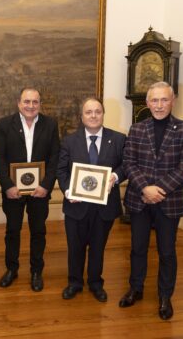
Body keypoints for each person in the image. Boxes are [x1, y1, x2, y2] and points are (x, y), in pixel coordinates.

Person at [118, 81, 183, 320]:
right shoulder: (137, 129)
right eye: (154, 100)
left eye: (164, 100)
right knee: (137, 248)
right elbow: (129, 163)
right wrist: (145, 188)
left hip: (169, 201)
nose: (159, 105)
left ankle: (165, 296)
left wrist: (158, 190)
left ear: (173, 101)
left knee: (167, 251)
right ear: (148, 102)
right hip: (140, 199)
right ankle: (136, 288)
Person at [56, 98, 126, 302]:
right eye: (89, 112)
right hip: (76, 206)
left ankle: (96, 283)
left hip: (104, 207)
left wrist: (115, 176)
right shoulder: (69, 141)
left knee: (98, 247)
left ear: (103, 114)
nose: (93, 116)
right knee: (75, 247)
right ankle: (74, 282)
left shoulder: (119, 139)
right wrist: (68, 190)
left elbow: (126, 166)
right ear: (82, 116)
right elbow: (61, 170)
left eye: (97, 112)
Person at [0, 88, 60, 291]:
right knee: (12, 231)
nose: (31, 106)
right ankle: (11, 269)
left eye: (35, 102)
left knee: (38, 231)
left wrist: (46, 185)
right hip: (13, 192)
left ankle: (36, 271)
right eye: (27, 101)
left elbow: (55, 158)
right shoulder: (5, 124)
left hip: (40, 191)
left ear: (40, 104)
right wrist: (8, 186)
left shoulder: (50, 125)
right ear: (19, 103)